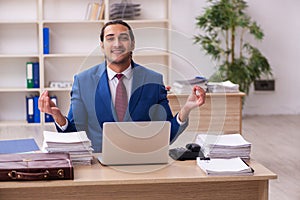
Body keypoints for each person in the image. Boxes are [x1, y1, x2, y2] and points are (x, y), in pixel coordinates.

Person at [39, 20, 206, 153]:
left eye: (123, 38)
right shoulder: (83, 81)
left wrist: (186, 110)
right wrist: (59, 117)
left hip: (143, 162)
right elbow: (75, 135)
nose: (117, 43)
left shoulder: (153, 80)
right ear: (102, 45)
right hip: (98, 163)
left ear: (132, 44)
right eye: (110, 38)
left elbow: (165, 135)